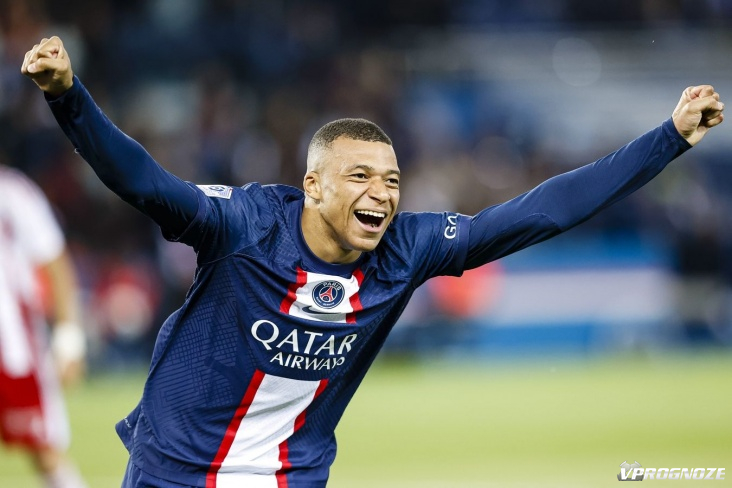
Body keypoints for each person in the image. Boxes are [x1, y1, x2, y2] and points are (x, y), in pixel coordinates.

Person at [21, 36, 723, 488]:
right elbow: (143, 181)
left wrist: (668, 138)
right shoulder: (244, 226)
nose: (382, 194)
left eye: (391, 180)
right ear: (313, 185)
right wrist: (67, 95)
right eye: (359, 176)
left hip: (292, 479)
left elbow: (544, 210)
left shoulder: (407, 249)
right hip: (173, 474)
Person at [0, 161, 87, 488]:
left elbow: (55, 262)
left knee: (44, 449)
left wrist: (69, 339)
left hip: (12, 345)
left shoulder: (12, 192)